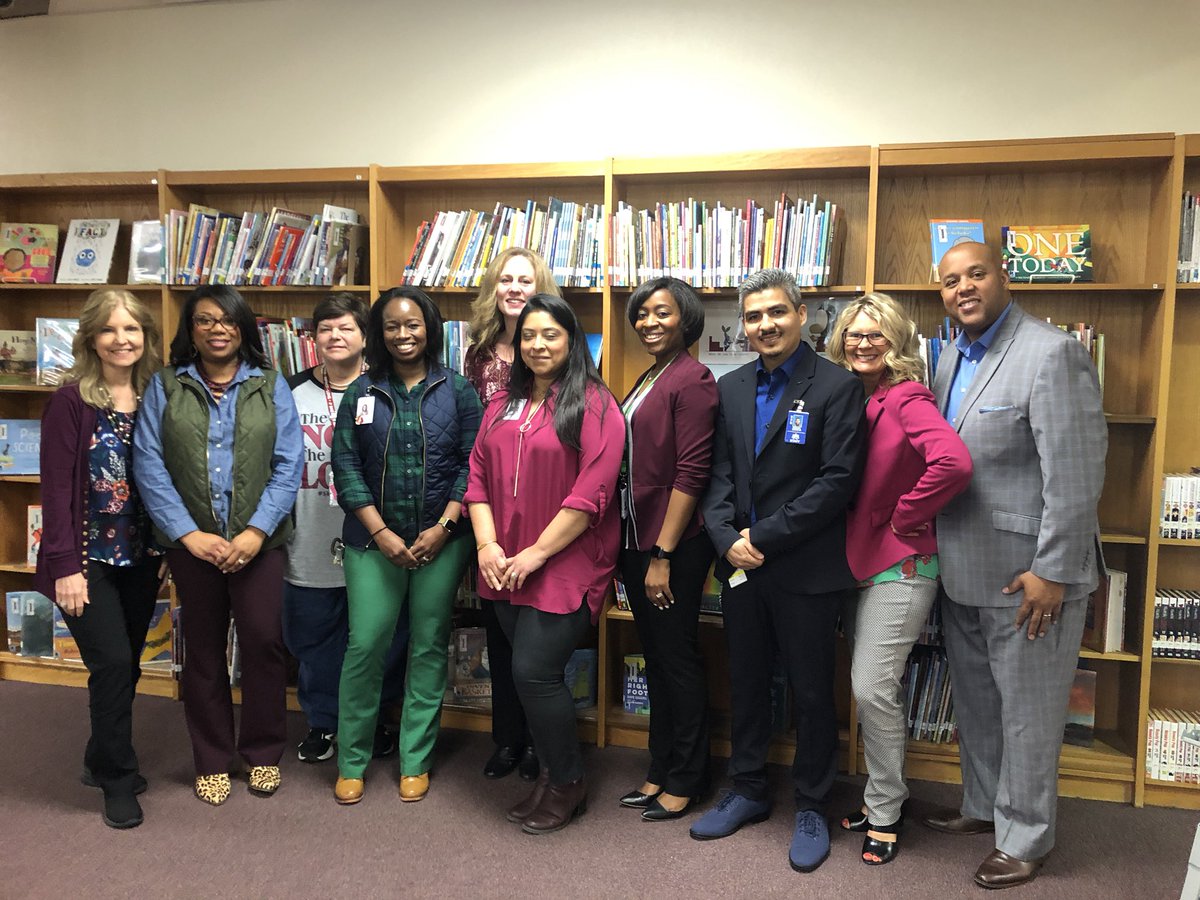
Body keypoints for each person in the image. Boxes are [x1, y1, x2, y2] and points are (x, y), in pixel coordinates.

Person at [922, 241, 1107, 889]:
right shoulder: (949, 358)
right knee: (977, 704)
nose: (964, 287)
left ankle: (1027, 837)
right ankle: (985, 808)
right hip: (964, 569)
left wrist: (1053, 572)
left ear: (1004, 276)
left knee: (1027, 712)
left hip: (1031, 579)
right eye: (951, 281)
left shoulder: (1052, 353)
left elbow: (1076, 477)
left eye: (976, 274)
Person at [693, 269, 866, 873]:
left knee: (814, 691)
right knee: (746, 681)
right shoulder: (732, 385)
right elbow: (716, 475)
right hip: (740, 568)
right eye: (753, 316)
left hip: (805, 568)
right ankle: (748, 789)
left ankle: (814, 804)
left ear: (802, 314)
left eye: (776, 313)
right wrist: (723, 537)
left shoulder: (838, 387)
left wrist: (759, 536)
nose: (764, 325)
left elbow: (837, 483)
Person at [133, 285, 303, 806]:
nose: (216, 329)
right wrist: (189, 535)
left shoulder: (271, 386)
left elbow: (288, 464)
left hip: (260, 545)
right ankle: (211, 758)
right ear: (191, 329)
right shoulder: (166, 386)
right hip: (192, 547)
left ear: (243, 327)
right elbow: (149, 464)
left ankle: (263, 752)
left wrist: (254, 533)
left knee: (263, 645)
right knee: (202, 653)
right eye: (204, 320)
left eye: (227, 320)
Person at [464, 293, 624, 835]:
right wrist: (488, 548)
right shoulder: (500, 407)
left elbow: (590, 496)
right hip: (504, 562)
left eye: (550, 334)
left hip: (566, 561)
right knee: (522, 671)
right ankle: (553, 772)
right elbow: (478, 482)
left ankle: (568, 781)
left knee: (535, 671)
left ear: (572, 340)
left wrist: (534, 554)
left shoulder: (596, 405)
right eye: (528, 335)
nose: (538, 344)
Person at [825, 293, 973, 865]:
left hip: (902, 567)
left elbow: (953, 463)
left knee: (871, 687)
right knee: (870, 688)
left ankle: (886, 807)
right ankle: (878, 795)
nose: (863, 343)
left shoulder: (906, 396)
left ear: (897, 341)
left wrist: (907, 515)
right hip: (854, 563)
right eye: (854, 334)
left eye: (876, 334)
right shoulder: (847, 398)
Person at [330, 287, 481, 805]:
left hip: (443, 540)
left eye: (413, 324)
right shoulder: (361, 392)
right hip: (374, 543)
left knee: (429, 643)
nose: (403, 334)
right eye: (392, 326)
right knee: (366, 644)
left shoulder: (458, 390)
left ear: (430, 327)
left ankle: (415, 758)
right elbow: (345, 467)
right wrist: (381, 532)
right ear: (380, 332)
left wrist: (444, 525)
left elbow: (471, 463)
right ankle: (352, 759)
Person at [35, 289, 163, 829]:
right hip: (87, 560)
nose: (121, 340)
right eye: (110, 330)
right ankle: (116, 778)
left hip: (141, 555)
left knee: (125, 664)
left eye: (132, 329)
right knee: (110, 664)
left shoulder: (157, 394)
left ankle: (96, 756)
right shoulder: (70, 402)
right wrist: (65, 566)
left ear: (145, 337)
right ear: (91, 337)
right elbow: (56, 488)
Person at [282, 293, 408, 765]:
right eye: (326, 329)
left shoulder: (386, 390)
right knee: (314, 637)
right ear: (314, 339)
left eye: (346, 328)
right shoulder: (288, 393)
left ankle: (371, 721)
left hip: (374, 536)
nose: (335, 337)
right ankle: (323, 721)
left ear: (364, 336)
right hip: (309, 533)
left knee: (379, 635)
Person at [615, 277, 717, 822]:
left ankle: (688, 777)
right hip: (638, 538)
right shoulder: (652, 375)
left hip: (670, 544)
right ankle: (659, 768)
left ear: (686, 319)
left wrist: (662, 554)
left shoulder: (694, 379)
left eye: (662, 313)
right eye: (642, 314)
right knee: (655, 657)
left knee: (676, 659)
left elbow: (692, 472)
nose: (650, 322)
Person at [462, 247, 558, 781]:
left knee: (539, 634)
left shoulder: (561, 346)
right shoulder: (478, 354)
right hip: (488, 505)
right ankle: (509, 739)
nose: (515, 288)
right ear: (494, 289)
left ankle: (545, 742)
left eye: (525, 279)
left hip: (543, 505)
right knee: (498, 630)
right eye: (506, 280)